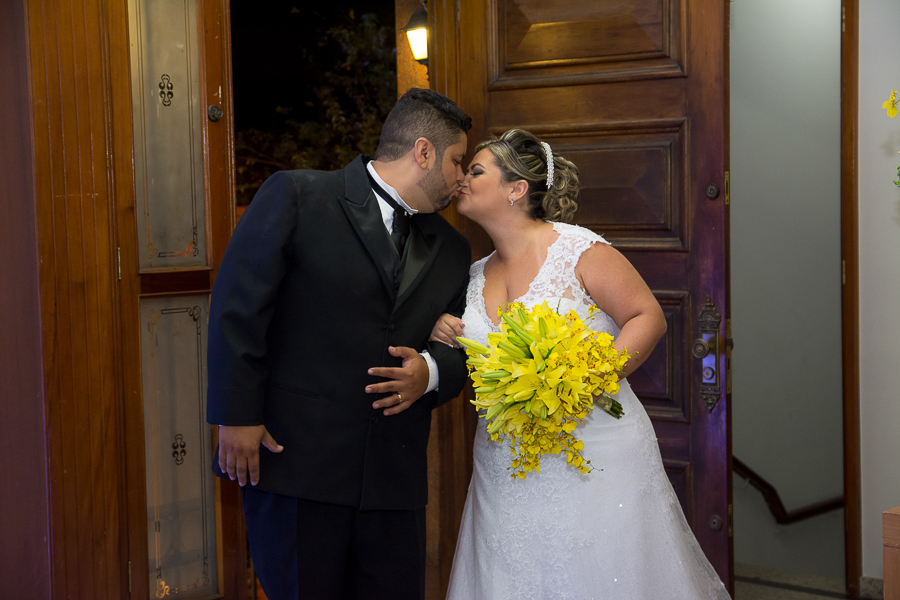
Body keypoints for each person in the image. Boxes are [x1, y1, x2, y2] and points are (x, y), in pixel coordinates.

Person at [430, 129, 731, 599]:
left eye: (476, 170)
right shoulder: (472, 275)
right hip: (505, 464)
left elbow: (647, 316)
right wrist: (445, 333)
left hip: (595, 450)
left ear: (516, 189)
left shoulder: (577, 250)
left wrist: (588, 377)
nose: (462, 179)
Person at [206, 88, 473, 600]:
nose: (462, 176)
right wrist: (235, 415)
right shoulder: (299, 196)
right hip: (297, 463)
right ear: (423, 152)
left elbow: (463, 344)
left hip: (393, 481)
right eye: (458, 160)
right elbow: (238, 309)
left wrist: (431, 373)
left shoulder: (453, 248)